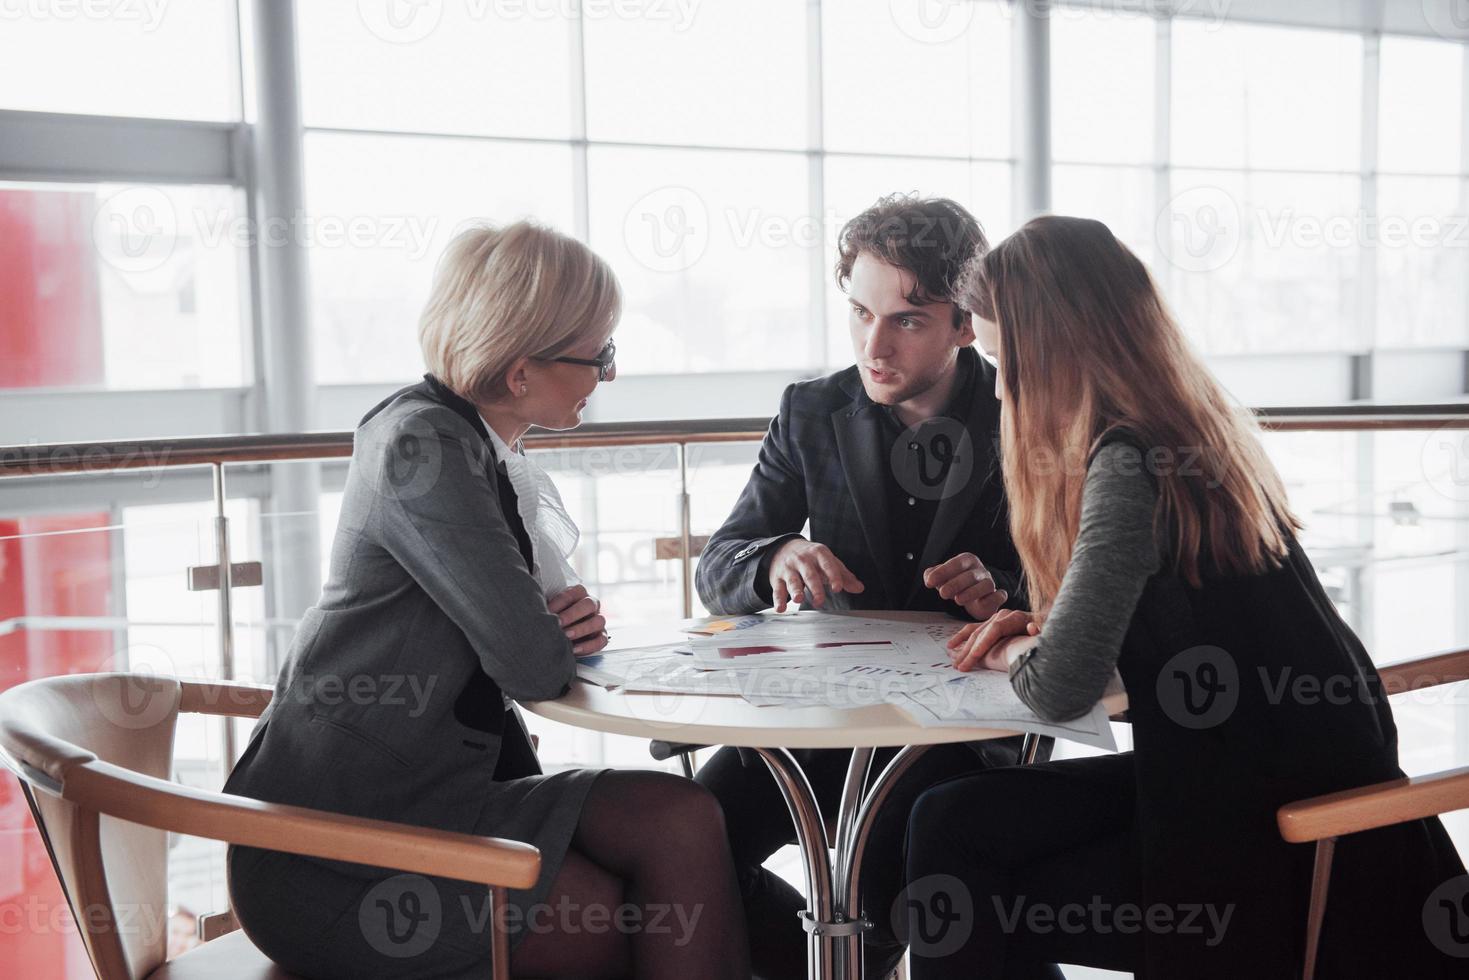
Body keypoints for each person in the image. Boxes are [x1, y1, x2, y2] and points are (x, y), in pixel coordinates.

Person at [904, 215, 1466, 979]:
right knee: (953, 819)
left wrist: (1010, 646)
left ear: (1057, 352)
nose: (1000, 387)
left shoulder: (1125, 463)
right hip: (1235, 781)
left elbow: (1059, 685)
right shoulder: (1184, 434)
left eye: (1007, 359)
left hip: (1278, 845)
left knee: (968, 879)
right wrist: (1052, 627)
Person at [224, 222, 749, 980]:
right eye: (599, 355)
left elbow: (533, 633)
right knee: (625, 909)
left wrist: (542, 629)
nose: (608, 373)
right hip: (336, 849)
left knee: (684, 816)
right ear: (519, 369)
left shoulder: (479, 444)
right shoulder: (423, 448)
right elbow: (533, 662)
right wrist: (541, 631)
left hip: (434, 795)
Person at [693, 194, 1026, 979]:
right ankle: (826, 961)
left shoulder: (1023, 413)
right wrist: (775, 556)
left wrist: (1003, 591)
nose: (874, 345)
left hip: (957, 734)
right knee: (688, 843)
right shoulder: (812, 409)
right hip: (818, 717)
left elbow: (1074, 583)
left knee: (883, 893)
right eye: (859, 313)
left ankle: (859, 953)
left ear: (963, 323)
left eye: (906, 319)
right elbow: (721, 562)